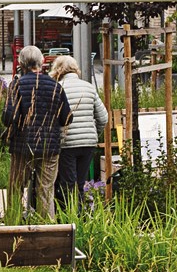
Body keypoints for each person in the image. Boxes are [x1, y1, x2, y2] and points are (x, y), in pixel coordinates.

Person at [6, 43, 68, 215]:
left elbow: (9, 117)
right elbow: (66, 117)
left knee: (16, 188)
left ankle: (13, 223)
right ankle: (46, 227)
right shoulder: (56, 86)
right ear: (42, 61)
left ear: (21, 63)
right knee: (46, 190)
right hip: (50, 146)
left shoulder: (17, 85)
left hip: (22, 146)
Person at [53, 52, 104, 207]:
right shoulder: (89, 87)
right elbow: (103, 118)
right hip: (88, 143)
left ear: (58, 70)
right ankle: (81, 215)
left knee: (68, 184)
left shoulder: (58, 88)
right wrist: (93, 134)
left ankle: (70, 215)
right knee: (80, 183)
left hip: (67, 144)